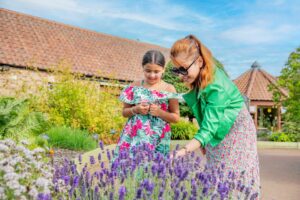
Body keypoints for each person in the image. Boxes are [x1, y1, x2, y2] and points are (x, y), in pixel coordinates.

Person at [170, 35, 260, 196]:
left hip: (237, 131)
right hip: (218, 127)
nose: (180, 75)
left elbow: (209, 127)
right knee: (215, 177)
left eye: (183, 68)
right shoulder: (198, 77)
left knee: (234, 179)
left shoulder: (216, 85)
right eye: (176, 69)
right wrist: (204, 143)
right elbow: (203, 113)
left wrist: (183, 151)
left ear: (199, 61)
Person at [114, 50, 180, 158]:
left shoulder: (169, 89)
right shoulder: (134, 86)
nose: (152, 75)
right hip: (133, 136)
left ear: (163, 69)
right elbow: (124, 113)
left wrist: (159, 113)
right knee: (128, 169)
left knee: (153, 170)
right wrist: (135, 109)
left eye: (156, 71)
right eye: (148, 71)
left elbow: (176, 118)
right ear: (143, 68)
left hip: (158, 139)